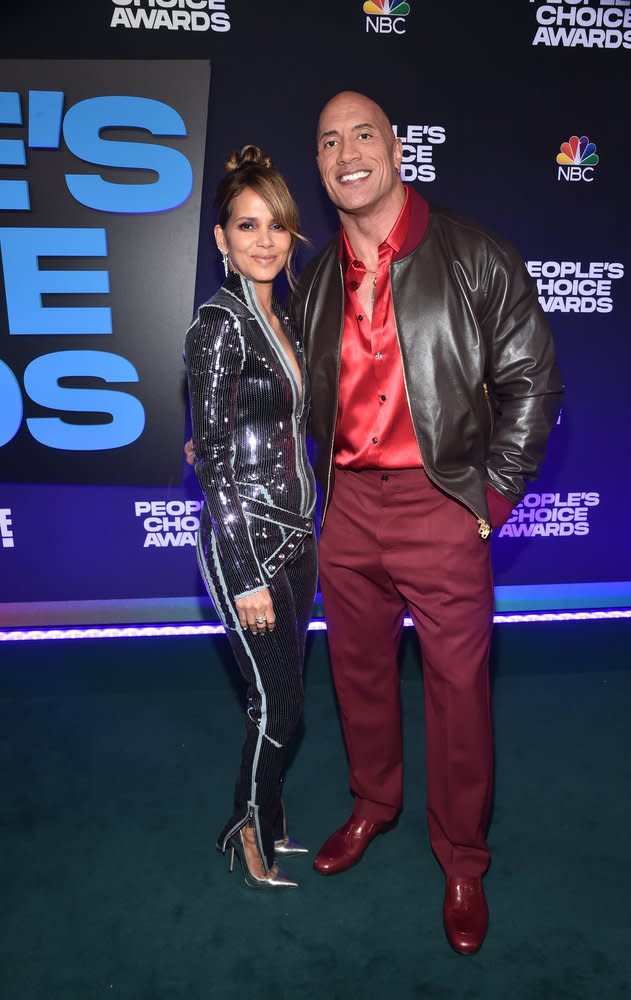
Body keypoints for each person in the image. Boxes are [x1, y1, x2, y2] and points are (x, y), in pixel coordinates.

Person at [290, 91, 563, 952]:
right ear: (322, 168)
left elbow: (533, 384)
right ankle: (373, 805)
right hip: (347, 510)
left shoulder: (475, 256)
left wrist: (486, 501)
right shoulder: (319, 278)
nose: (346, 152)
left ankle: (462, 858)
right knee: (357, 676)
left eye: (362, 134)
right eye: (329, 141)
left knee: (457, 694)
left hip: (441, 502)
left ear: (398, 150)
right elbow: (296, 399)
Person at [184, 145, 318, 890]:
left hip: (299, 539)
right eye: (246, 225)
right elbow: (217, 467)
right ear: (221, 240)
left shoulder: (285, 322)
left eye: (276, 226)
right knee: (283, 702)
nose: (263, 241)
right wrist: (244, 578)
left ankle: (268, 821)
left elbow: (250, 432)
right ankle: (248, 828)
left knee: (279, 699)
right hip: (248, 549)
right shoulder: (218, 326)